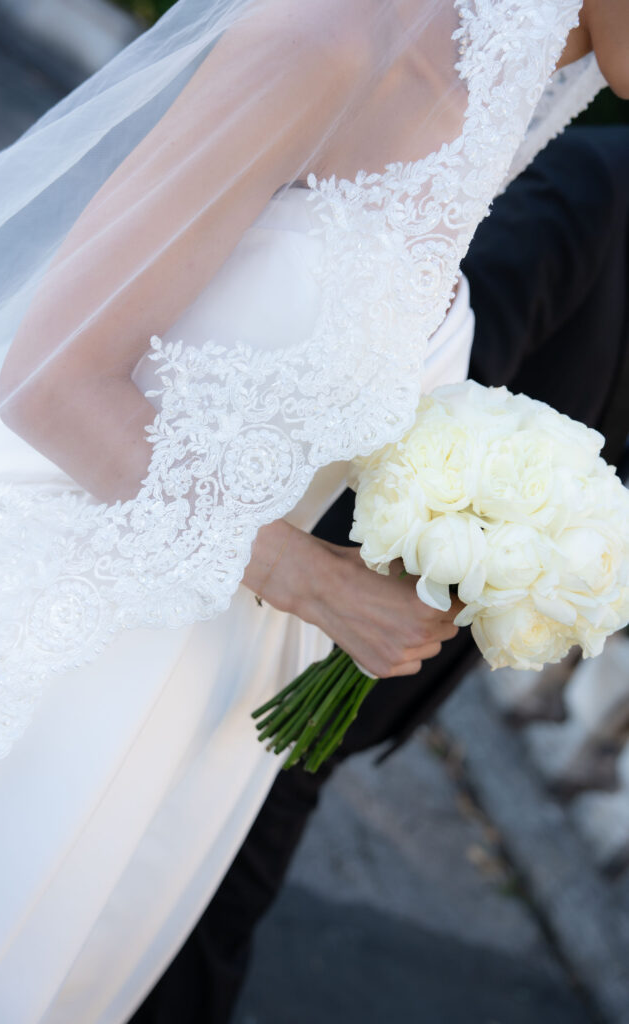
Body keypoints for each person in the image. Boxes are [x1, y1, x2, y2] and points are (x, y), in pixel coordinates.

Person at [0, 2, 627, 1021]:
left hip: (204, 703)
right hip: (53, 642)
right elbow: (52, 381)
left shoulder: (501, 127)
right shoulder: (328, 39)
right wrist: (310, 577)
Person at [128, 120, 629, 1024]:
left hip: (384, 661)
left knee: (190, 911)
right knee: (184, 925)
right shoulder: (589, 190)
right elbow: (429, 411)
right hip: (311, 621)